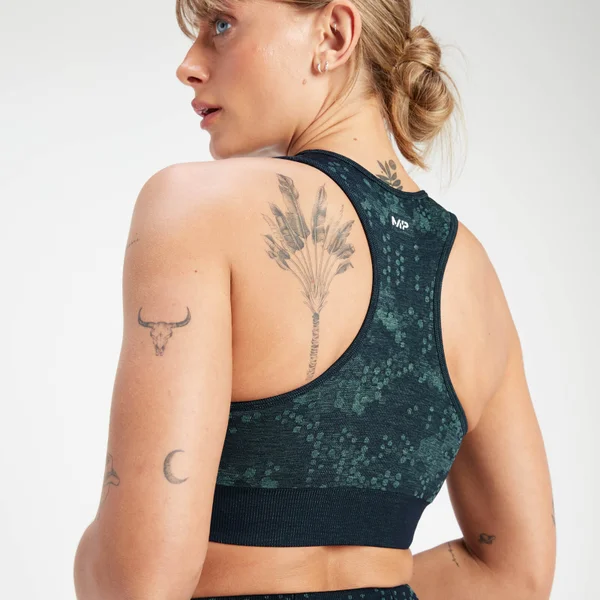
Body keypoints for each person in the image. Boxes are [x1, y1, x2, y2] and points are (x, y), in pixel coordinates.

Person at [73, 0, 557, 599]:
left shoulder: (193, 208)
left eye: (221, 25)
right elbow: (515, 575)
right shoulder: (469, 268)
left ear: (333, 35)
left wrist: (95, 554)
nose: (188, 65)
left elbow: (140, 582)